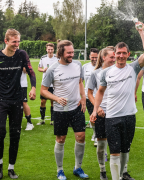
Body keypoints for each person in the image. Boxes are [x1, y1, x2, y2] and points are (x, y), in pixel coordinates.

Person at [90, 21, 144, 180]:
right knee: (114, 151)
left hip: (129, 116)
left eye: (124, 53)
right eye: (118, 53)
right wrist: (95, 109)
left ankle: (123, 173)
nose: (121, 56)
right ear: (114, 54)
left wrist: (141, 32)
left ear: (128, 54)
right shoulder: (106, 73)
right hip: (112, 118)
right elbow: (100, 92)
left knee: (125, 150)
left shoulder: (133, 68)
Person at [0, 28, 36, 179]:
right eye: (14, 42)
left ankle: (11, 167)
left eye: (18, 41)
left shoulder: (22, 54)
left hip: (16, 99)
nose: (17, 44)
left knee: (15, 134)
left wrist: (33, 88)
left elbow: (31, 72)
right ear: (6, 41)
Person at [40, 40, 88, 180]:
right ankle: (60, 170)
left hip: (76, 107)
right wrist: (56, 98)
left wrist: (83, 97)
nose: (72, 55)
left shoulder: (78, 65)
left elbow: (80, 82)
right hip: (61, 109)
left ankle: (77, 168)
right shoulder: (52, 69)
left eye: (73, 52)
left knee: (81, 136)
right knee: (61, 139)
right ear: (61, 52)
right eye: (69, 53)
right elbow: (43, 91)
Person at [87, 47, 115, 180]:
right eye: (112, 57)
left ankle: (119, 171)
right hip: (102, 113)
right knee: (101, 144)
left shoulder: (118, 72)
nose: (114, 60)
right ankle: (102, 170)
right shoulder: (95, 73)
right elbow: (90, 93)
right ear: (104, 58)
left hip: (116, 112)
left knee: (115, 143)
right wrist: (97, 108)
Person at [37, 43, 59, 125]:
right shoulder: (43, 58)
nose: (50, 51)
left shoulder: (57, 58)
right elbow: (39, 68)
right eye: (48, 49)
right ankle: (42, 120)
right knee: (43, 101)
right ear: (46, 49)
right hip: (45, 84)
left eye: (51, 49)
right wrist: (43, 70)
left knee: (53, 101)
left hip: (54, 83)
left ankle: (52, 120)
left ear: (54, 50)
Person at [82, 48, 99, 146]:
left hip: (99, 97)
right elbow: (81, 81)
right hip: (88, 96)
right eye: (92, 57)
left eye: (96, 57)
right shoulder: (85, 67)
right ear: (89, 57)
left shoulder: (101, 67)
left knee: (98, 117)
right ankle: (95, 133)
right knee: (92, 117)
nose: (94, 59)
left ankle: (97, 136)